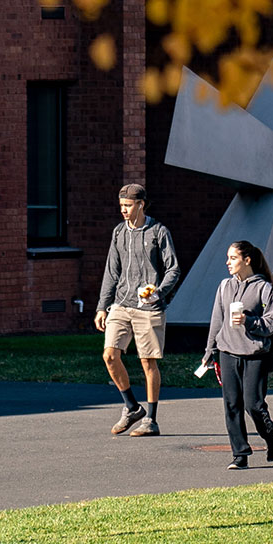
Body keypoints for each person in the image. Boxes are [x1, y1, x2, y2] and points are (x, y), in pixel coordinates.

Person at [94, 183, 180, 437]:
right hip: (121, 303)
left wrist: (159, 292)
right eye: (121, 205)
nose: (124, 210)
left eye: (128, 205)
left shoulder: (158, 232)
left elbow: (173, 268)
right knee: (110, 355)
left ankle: (150, 420)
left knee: (148, 362)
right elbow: (111, 272)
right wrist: (102, 307)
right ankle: (132, 407)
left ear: (141, 204)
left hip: (149, 308)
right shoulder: (119, 232)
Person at [202, 240, 273, 470]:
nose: (228, 263)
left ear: (247, 260)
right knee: (232, 404)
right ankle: (240, 454)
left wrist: (249, 321)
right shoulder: (225, 286)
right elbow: (217, 320)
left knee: (253, 405)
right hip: (227, 351)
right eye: (227, 258)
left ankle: (270, 435)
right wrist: (210, 350)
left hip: (255, 353)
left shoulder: (264, 288)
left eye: (233, 258)